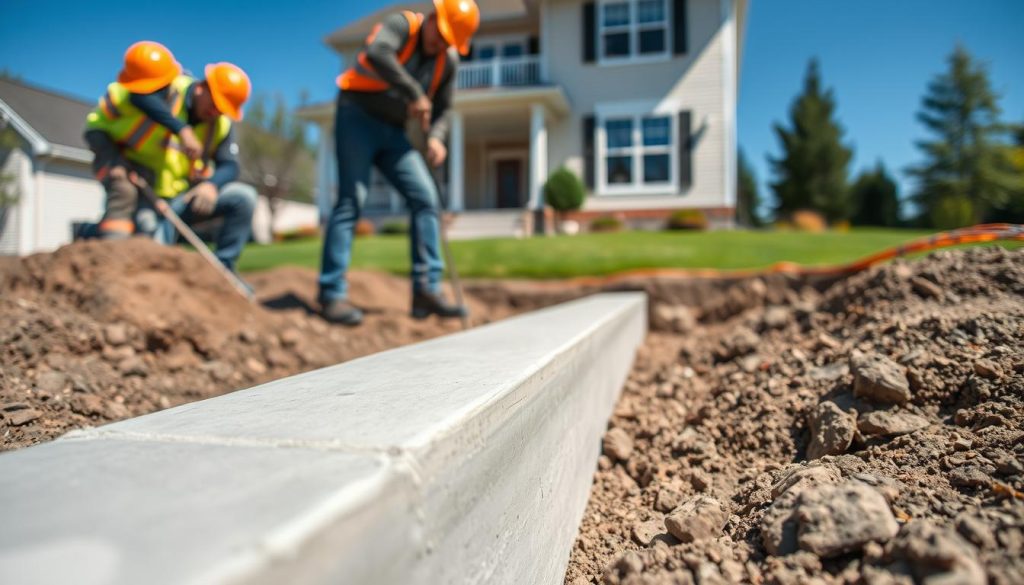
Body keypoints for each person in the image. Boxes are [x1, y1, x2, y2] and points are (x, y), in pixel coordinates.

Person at [318, 0, 480, 326]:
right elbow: (378, 53)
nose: (441, 44)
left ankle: (426, 291)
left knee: (426, 197)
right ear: (434, 17)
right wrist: (414, 93)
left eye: (450, 42)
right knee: (352, 199)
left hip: (394, 133)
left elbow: (445, 109)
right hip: (357, 117)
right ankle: (331, 294)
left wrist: (436, 137)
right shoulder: (402, 25)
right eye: (441, 35)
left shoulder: (447, 62)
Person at [83, 61, 257, 275]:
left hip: (182, 196)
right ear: (203, 86)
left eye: (221, 110)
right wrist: (181, 129)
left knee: (244, 197)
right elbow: (136, 94)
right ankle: (88, 236)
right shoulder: (169, 87)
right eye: (214, 105)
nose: (215, 113)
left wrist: (211, 186)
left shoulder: (220, 125)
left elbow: (230, 166)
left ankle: (223, 271)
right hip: (145, 190)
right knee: (146, 236)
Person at [84, 41, 204, 239]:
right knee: (122, 189)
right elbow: (142, 99)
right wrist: (182, 129)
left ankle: (98, 236)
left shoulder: (177, 89)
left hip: (136, 156)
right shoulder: (127, 92)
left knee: (145, 216)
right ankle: (112, 247)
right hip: (104, 139)